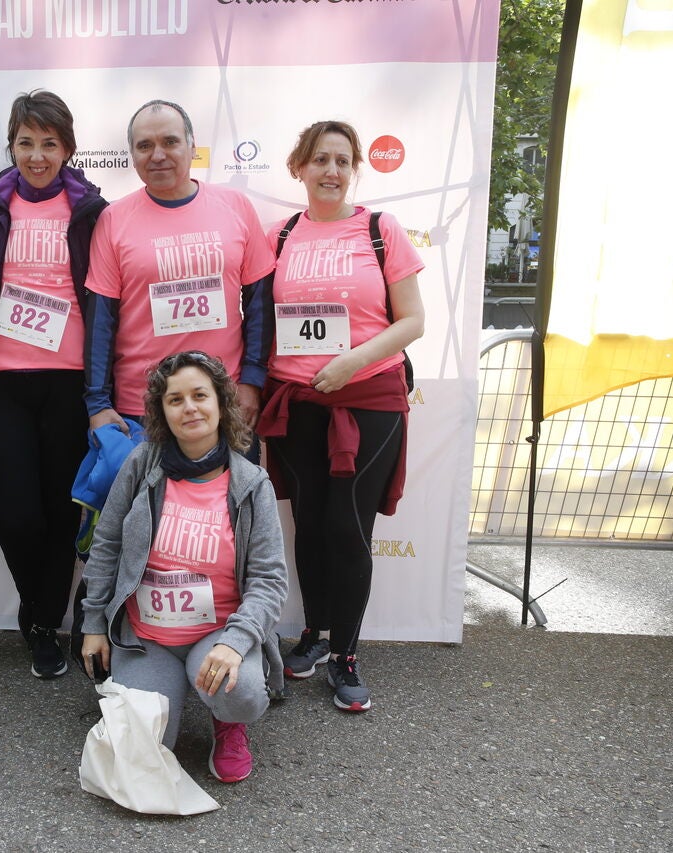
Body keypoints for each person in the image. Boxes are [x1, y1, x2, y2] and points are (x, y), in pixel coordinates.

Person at [257, 120, 425, 712]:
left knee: (347, 529)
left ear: (355, 168)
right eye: (319, 159)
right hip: (297, 402)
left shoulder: (381, 230)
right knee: (307, 522)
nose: (331, 171)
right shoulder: (277, 236)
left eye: (342, 160)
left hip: (367, 400)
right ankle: (313, 635)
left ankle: (346, 652)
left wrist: (351, 362)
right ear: (298, 167)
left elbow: (412, 321)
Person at [79, 351, 288, 783]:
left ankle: (228, 723)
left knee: (242, 694)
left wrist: (236, 641)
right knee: (144, 757)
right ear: (162, 412)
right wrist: (94, 623)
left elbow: (269, 580)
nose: (189, 407)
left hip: (216, 633)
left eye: (199, 395)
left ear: (219, 404)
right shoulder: (140, 466)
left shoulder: (252, 484)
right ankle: (163, 693)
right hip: (146, 637)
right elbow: (108, 543)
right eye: (175, 400)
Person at [0, 91, 108, 679]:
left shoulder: (92, 211)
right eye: (26, 143)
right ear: (11, 146)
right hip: (2, 379)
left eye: (49, 144)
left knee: (58, 513)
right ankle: (39, 609)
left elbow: (107, 297)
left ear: (69, 149)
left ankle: (43, 624)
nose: (37, 155)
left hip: (68, 380)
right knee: (16, 518)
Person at [84, 100, 275, 441]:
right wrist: (98, 402)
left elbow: (260, 301)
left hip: (223, 401)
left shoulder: (236, 206)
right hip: (142, 409)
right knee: (149, 498)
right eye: (145, 146)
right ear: (132, 154)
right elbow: (101, 320)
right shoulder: (113, 219)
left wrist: (252, 381)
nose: (158, 155)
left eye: (170, 141)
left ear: (191, 145)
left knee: (228, 497)